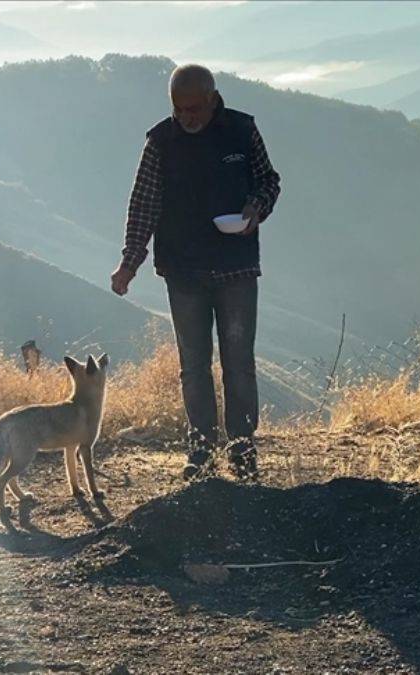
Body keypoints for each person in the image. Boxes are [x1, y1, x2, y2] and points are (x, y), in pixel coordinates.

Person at [110, 63, 281, 481]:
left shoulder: (242, 130)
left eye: (194, 109)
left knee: (238, 363)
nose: (186, 117)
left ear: (212, 99)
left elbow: (268, 180)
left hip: (237, 268)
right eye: (178, 109)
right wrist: (130, 263)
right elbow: (144, 204)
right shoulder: (160, 142)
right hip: (183, 270)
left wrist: (256, 208)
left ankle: (242, 451)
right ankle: (201, 451)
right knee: (193, 365)